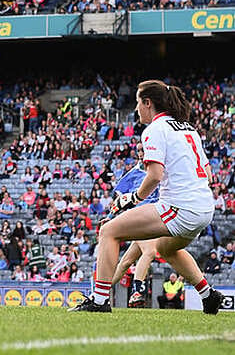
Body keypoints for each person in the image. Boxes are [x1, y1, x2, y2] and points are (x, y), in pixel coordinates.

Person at [70, 80, 223, 314]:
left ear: (148, 103)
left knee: (108, 231)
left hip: (181, 207)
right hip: (204, 208)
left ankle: (99, 301)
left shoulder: (154, 129)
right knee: (165, 249)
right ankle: (208, 295)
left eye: (138, 103)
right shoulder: (187, 128)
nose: (136, 109)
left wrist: (133, 198)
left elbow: (155, 175)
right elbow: (209, 173)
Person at [109, 144, 161, 308]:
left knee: (125, 263)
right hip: (140, 216)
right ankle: (137, 291)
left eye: (144, 150)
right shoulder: (133, 173)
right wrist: (111, 215)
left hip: (156, 216)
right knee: (150, 251)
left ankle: (98, 291)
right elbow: (118, 196)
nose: (141, 153)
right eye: (139, 151)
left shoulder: (160, 171)